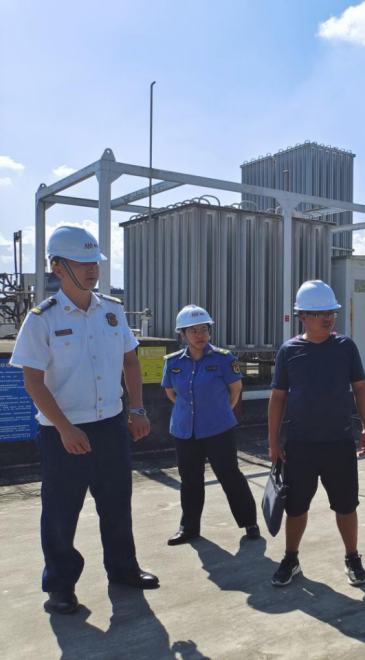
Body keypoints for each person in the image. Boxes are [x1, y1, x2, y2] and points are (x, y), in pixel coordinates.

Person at [10, 226, 159, 615]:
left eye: (95, 262)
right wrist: (64, 428)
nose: (92, 269)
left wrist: (137, 409)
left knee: (117, 503)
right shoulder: (41, 319)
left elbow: (130, 361)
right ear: (58, 268)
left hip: (110, 425)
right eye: (82, 263)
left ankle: (123, 569)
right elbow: (32, 380)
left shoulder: (111, 310)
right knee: (61, 511)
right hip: (63, 432)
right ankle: (60, 586)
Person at [267, 280, 365, 588]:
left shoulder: (345, 347)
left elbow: (360, 389)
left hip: (339, 442)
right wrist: (273, 442)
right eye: (319, 313)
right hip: (299, 445)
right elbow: (278, 397)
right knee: (296, 507)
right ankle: (291, 558)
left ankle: (352, 557)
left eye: (331, 312)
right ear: (302, 316)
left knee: (346, 505)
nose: (327, 318)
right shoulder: (289, 351)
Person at [162, 305, 259, 546]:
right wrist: (192, 413)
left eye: (204, 329)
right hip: (185, 430)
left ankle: (249, 522)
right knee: (190, 480)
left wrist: (217, 412)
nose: (200, 335)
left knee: (230, 476)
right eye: (193, 331)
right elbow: (171, 393)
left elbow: (235, 390)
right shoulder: (173, 362)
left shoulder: (224, 359)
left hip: (218, 429)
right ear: (182, 334)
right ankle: (189, 528)